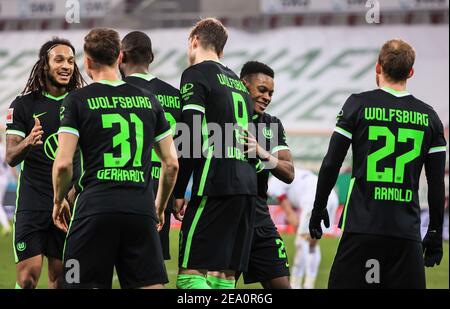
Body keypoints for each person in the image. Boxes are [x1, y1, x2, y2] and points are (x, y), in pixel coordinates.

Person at [309, 39, 447, 289]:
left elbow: (331, 163)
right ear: (411, 72)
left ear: (378, 67)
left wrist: (318, 207)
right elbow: (436, 183)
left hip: (362, 228)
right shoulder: (430, 117)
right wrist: (435, 231)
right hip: (406, 234)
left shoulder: (357, 104)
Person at [52, 28, 179, 289]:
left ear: (86, 62)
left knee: (77, 282)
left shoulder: (76, 100)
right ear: (119, 56)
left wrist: (58, 200)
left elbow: (64, 164)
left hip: (94, 210)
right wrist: (158, 205)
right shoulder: (149, 100)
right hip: (140, 210)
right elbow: (171, 164)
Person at [173, 18, 257, 289]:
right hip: (245, 186)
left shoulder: (196, 74)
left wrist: (177, 191)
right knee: (223, 276)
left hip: (215, 183)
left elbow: (193, 136)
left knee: (190, 274)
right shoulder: (239, 84)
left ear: (194, 41)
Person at [5, 37, 84, 289]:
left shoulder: (81, 103)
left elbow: (91, 154)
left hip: (67, 203)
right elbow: (10, 157)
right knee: (28, 278)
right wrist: (28, 141)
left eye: (71, 60)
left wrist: (75, 190)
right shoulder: (23, 105)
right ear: (45, 65)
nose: (66, 65)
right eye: (59, 59)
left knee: (61, 279)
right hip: (32, 202)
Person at [210, 61, 294, 289]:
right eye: (262, 90)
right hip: (229, 215)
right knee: (220, 289)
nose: (267, 97)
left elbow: (289, 172)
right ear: (243, 86)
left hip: (259, 217)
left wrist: (261, 152)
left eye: (271, 93)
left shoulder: (272, 125)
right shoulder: (223, 122)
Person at [120, 31, 182, 261]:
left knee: (112, 263)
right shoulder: (175, 95)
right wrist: (176, 193)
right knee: (151, 269)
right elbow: (181, 148)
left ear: (121, 57)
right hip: (161, 190)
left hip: (124, 184)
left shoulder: (113, 92)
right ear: (152, 57)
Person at [268, 168, 339, 289]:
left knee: (302, 242)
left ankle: (299, 284)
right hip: (330, 197)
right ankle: (305, 284)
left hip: (313, 199)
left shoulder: (272, 182)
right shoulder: (297, 172)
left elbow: (290, 214)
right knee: (312, 244)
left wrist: (295, 223)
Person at [0, 132, 18, 236]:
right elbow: (11, 163)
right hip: (5, 178)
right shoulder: (4, 148)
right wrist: (16, 176)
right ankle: (5, 224)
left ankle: (6, 225)